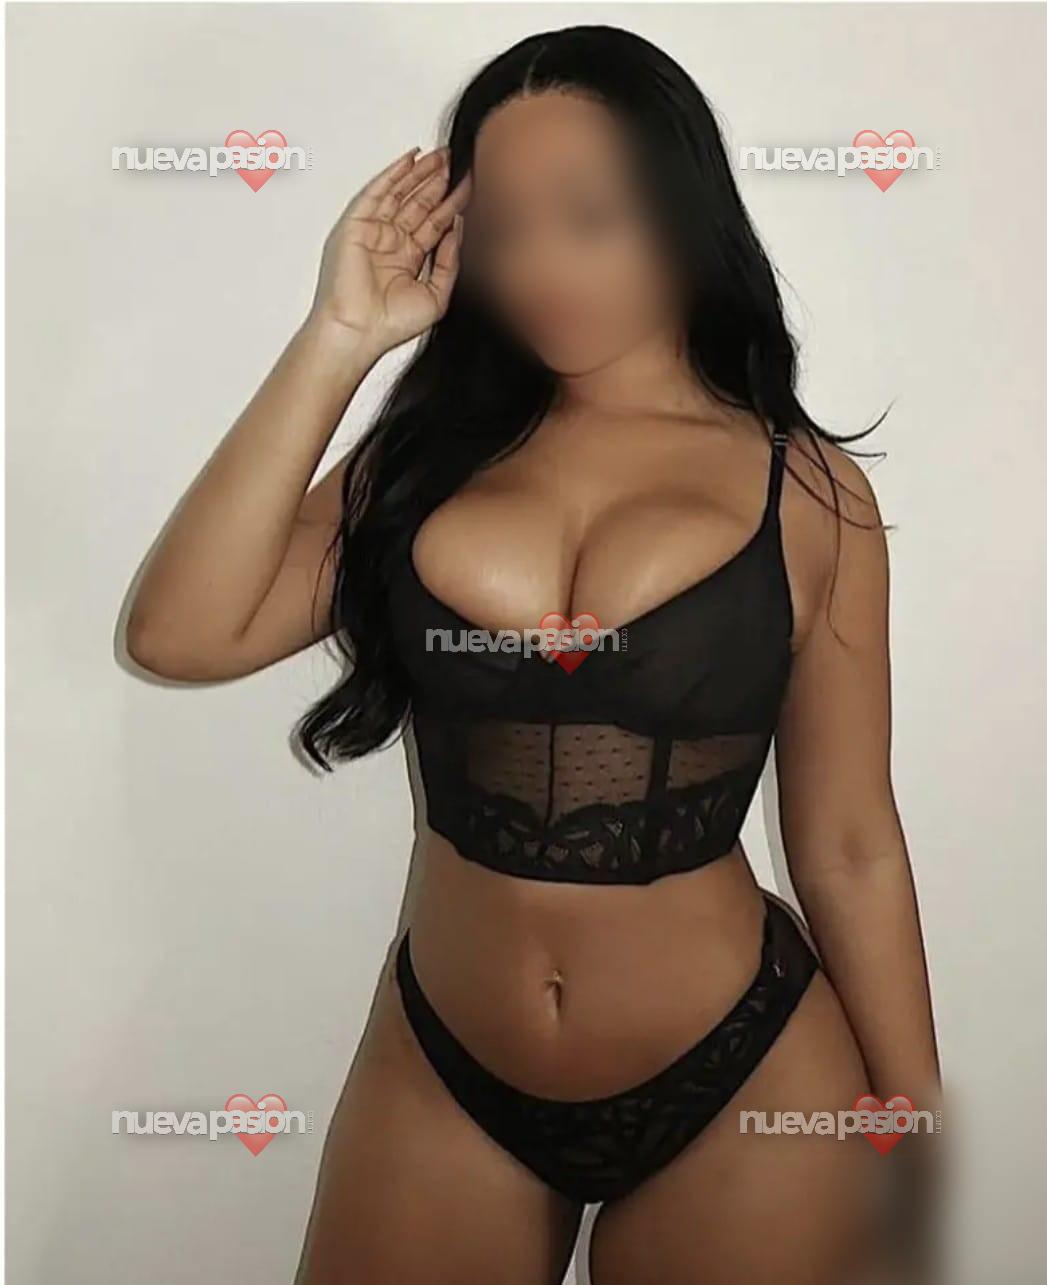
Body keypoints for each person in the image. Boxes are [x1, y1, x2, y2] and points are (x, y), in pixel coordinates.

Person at [126, 25, 943, 1285]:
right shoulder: (422, 460)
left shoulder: (809, 490)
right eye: (505, 228)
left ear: (681, 213)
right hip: (445, 1066)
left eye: (589, 217)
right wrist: (341, 336)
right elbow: (179, 634)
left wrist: (912, 1117)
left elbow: (847, 839)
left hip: (746, 1077)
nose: (543, 266)